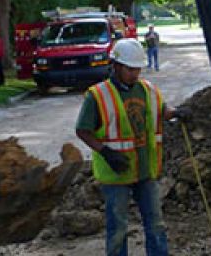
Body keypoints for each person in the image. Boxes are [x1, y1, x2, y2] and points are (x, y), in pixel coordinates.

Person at [75, 39, 190, 256]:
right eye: (130, 69)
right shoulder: (98, 95)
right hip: (116, 173)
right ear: (115, 65)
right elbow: (83, 130)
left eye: (137, 68)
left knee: (156, 223)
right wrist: (106, 152)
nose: (135, 74)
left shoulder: (147, 90)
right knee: (118, 228)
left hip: (145, 170)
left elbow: (162, 110)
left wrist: (176, 113)